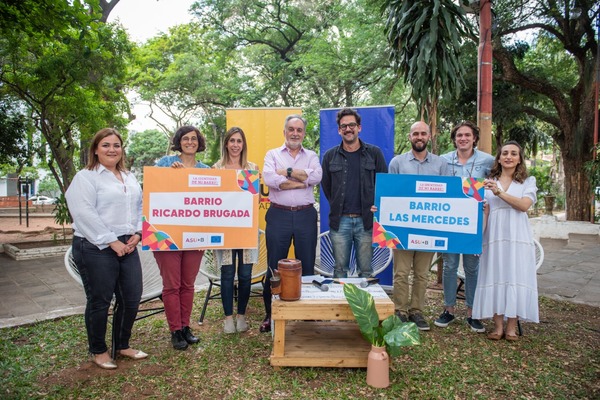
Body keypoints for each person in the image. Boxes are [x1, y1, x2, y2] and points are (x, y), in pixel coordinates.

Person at [66, 128, 147, 370]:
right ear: (95, 150)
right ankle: (98, 350)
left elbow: (140, 207)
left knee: (132, 297)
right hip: (94, 245)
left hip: (128, 244)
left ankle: (122, 345)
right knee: (100, 300)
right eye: (106, 145)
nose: (112, 149)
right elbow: (83, 213)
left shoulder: (129, 176)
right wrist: (112, 241)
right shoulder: (86, 177)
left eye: (116, 145)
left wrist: (137, 233)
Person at [260, 114, 322, 333]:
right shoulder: (272, 154)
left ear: (304, 133)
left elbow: (316, 178)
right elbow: (269, 179)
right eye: (291, 129)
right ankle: (271, 315)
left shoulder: (312, 155)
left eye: (299, 129)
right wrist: (300, 181)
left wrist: (285, 173)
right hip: (279, 215)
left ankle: (306, 315)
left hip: (305, 215)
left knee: (306, 264)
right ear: (284, 131)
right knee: (274, 267)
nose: (295, 133)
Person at [474, 141, 539, 341]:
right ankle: (498, 326)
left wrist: (499, 192)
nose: (509, 157)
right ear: (499, 158)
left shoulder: (528, 181)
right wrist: (477, 238)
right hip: (494, 236)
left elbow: (524, 206)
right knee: (495, 274)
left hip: (517, 236)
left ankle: (512, 327)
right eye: (504, 153)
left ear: (519, 158)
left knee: (516, 276)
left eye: (513, 153)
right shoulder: (488, 181)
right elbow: (484, 212)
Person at [388, 121, 449, 331]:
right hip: (402, 229)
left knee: (422, 274)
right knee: (401, 273)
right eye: (415, 133)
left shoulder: (441, 164)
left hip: (428, 229)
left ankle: (417, 311)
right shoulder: (397, 162)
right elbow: (390, 194)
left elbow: (448, 196)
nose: (419, 137)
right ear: (409, 137)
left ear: (429, 137)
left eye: (423, 133)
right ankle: (400, 311)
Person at [434, 121, 494, 333]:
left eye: (467, 135)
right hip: (449, 222)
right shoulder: (443, 160)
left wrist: (489, 201)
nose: (463, 139)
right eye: (459, 135)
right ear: (454, 139)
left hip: (474, 223)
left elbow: (495, 185)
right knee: (449, 266)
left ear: (474, 138)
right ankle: (449, 309)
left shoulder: (487, 160)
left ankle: (472, 313)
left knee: (472, 268)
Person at [154, 125, 208, 350]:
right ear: (179, 141)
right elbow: (153, 192)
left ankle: (186, 327)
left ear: (199, 142)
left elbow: (213, 201)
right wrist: (169, 176)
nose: (190, 142)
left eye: (194, 139)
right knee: (172, 285)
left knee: (188, 284)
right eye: (185, 138)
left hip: (195, 235)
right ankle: (175, 330)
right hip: (167, 234)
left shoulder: (206, 170)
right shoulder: (165, 163)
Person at [321, 108, 388, 278]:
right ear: (339, 130)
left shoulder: (374, 153)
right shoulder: (330, 156)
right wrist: (337, 203)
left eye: (352, 125)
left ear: (359, 127)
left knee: (366, 271)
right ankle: (340, 303)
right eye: (344, 126)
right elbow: (327, 186)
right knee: (339, 270)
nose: (348, 129)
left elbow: (383, 183)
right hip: (340, 221)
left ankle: (363, 305)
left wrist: (377, 205)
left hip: (366, 222)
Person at [212, 127, 259, 334]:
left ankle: (241, 316)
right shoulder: (217, 169)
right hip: (224, 229)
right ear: (226, 144)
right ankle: (228, 318)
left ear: (243, 144)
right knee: (227, 273)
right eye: (232, 141)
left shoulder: (251, 168)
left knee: (246, 274)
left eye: (239, 141)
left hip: (246, 228)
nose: (235, 145)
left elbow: (254, 200)